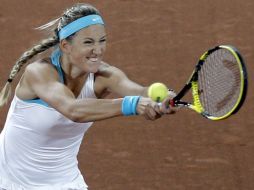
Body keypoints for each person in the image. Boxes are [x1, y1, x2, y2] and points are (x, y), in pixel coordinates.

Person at [0, 3, 176, 190]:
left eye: (102, 41)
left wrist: (162, 99)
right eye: (88, 42)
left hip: (65, 183)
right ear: (66, 46)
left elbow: (140, 92)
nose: (98, 50)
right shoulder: (39, 73)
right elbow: (73, 109)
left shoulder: (105, 76)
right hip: (7, 181)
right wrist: (132, 105)